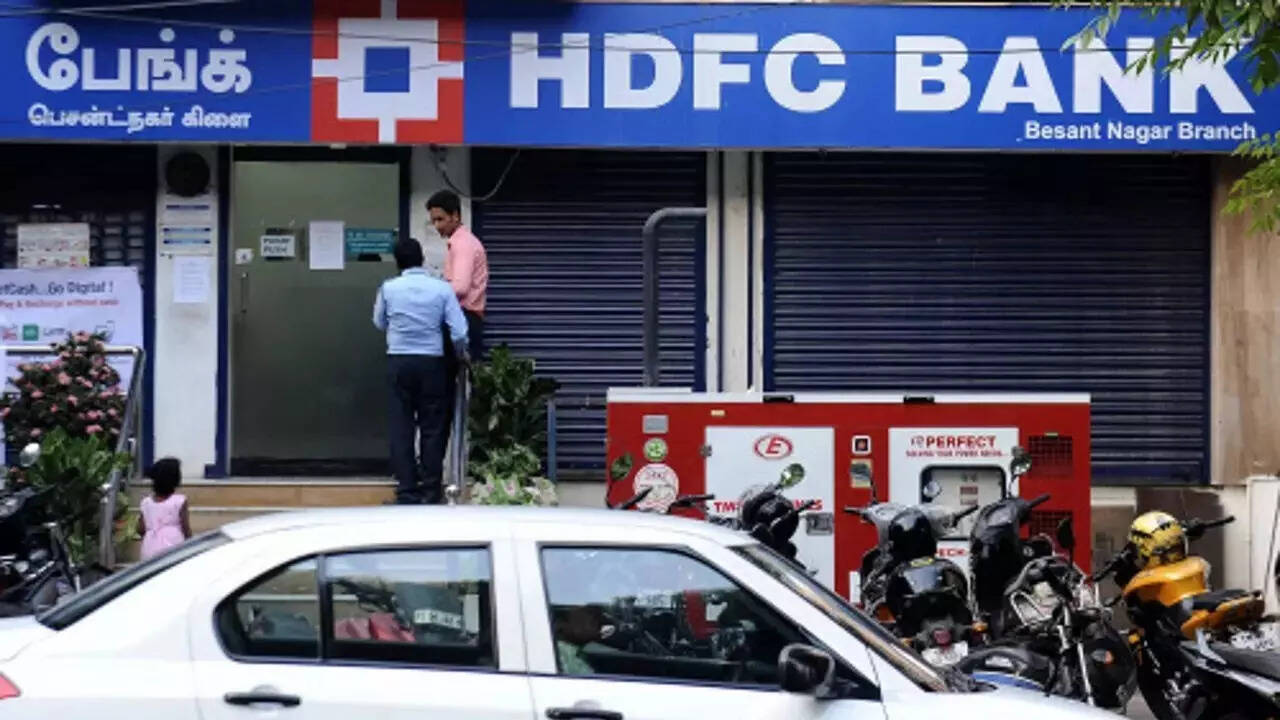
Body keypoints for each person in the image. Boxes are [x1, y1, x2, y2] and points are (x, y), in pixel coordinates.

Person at [374, 238, 469, 504]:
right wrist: (460, 354)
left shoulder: (388, 288)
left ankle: (406, 490)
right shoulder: (441, 289)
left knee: (401, 426)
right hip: (432, 364)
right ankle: (430, 491)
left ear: (398, 262)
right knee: (433, 427)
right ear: (422, 259)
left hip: (399, 361)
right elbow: (460, 332)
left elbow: (379, 322)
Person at [428, 189, 488, 360]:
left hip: (463, 318)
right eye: (433, 221)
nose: (437, 226)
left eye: (440, 219)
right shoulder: (464, 241)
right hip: (466, 318)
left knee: (452, 372)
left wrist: (434, 294)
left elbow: (460, 287)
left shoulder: (462, 244)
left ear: (455, 215)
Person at [137, 457, 191, 560]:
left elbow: (140, 529)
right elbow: (186, 529)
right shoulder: (179, 501)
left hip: (150, 546)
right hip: (174, 546)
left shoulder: (146, 502)